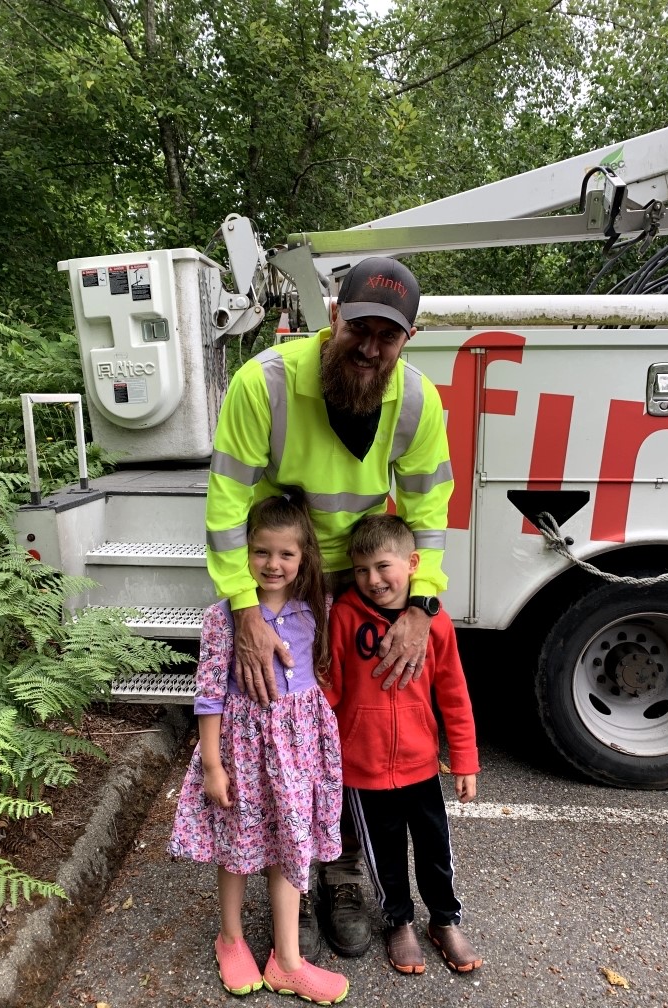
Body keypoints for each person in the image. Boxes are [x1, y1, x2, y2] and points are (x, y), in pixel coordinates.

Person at [205, 255, 454, 959]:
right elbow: (226, 504)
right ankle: (283, 871)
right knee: (272, 730)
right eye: (362, 329)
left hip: (366, 586)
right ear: (334, 317)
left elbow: (431, 506)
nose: (372, 348)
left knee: (342, 733)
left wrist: (419, 605)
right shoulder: (268, 383)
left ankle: (340, 875)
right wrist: (247, 612)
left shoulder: (416, 401)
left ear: (410, 337)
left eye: (391, 335)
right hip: (282, 584)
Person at [169, 494, 349, 1004]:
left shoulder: (317, 608)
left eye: (285, 554)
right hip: (242, 748)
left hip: (297, 750)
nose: (273, 564)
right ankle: (230, 937)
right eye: (261, 552)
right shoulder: (223, 616)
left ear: (303, 557)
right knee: (236, 841)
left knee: (290, 841)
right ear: (243, 554)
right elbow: (208, 693)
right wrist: (212, 764)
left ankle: (288, 960)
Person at [326, 514, 482, 976]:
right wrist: (321, 753)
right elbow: (330, 688)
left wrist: (465, 760)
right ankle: (398, 921)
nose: (372, 580)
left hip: (421, 765)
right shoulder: (343, 618)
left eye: (382, 566)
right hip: (363, 768)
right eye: (360, 570)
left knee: (435, 849)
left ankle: (444, 920)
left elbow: (454, 694)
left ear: (413, 563)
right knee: (385, 854)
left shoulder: (435, 624)